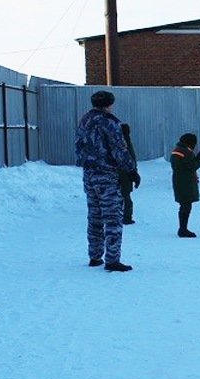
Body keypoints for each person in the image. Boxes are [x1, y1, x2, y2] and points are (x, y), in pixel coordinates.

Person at [75, 90, 137, 272]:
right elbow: (120, 149)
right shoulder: (111, 122)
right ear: (109, 104)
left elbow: (79, 146)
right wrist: (131, 170)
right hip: (106, 175)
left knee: (94, 216)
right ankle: (112, 259)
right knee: (112, 218)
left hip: (89, 174)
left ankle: (94, 256)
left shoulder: (84, 120)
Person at [171, 133, 200, 238]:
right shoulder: (185, 152)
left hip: (181, 181)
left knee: (185, 205)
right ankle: (183, 229)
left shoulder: (178, 150)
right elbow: (191, 166)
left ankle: (183, 228)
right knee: (185, 206)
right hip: (185, 183)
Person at [118, 123, 141, 224]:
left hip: (122, 173)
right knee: (125, 196)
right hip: (125, 173)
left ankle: (122, 215)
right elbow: (131, 159)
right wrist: (134, 173)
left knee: (122, 196)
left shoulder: (119, 140)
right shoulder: (125, 141)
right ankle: (127, 217)